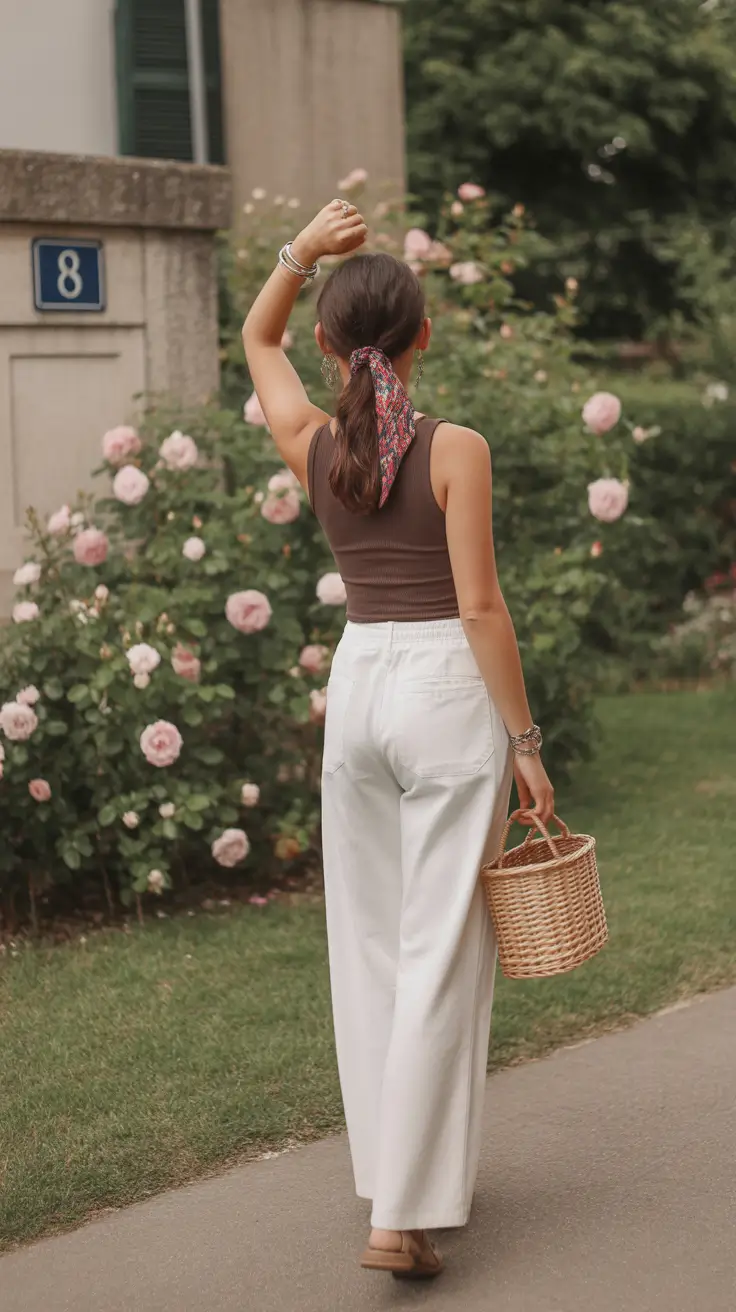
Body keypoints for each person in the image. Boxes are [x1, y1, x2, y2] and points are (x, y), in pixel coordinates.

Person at [243, 199, 554, 1279]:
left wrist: (300, 255)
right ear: (422, 337)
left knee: (371, 945)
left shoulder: (314, 443)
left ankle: (393, 1186)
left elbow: (255, 338)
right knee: (439, 951)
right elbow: (480, 609)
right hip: (441, 692)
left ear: (329, 344)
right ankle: (404, 1215)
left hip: (360, 680)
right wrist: (524, 738)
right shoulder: (453, 446)